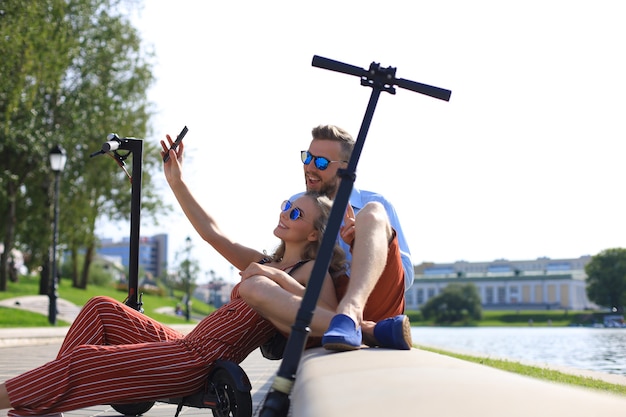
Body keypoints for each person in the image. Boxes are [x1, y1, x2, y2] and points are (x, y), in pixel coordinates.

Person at [0, 140, 344, 417]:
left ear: (315, 234)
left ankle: (25, 402)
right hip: (184, 343)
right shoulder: (264, 260)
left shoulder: (310, 270)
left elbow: (327, 317)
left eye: (296, 213)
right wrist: (176, 181)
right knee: (101, 308)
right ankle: (45, 405)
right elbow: (212, 233)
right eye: (286, 205)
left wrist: (277, 278)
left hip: (198, 362)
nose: (284, 213)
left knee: (88, 359)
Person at [240, 124, 414, 352]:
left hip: (374, 299)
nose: (310, 167)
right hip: (322, 309)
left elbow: (406, 277)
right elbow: (288, 261)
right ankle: (364, 328)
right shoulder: (299, 204)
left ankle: (351, 315)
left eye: (320, 163)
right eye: (307, 157)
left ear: (346, 168)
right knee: (252, 285)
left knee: (373, 212)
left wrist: (361, 244)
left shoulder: (374, 202)